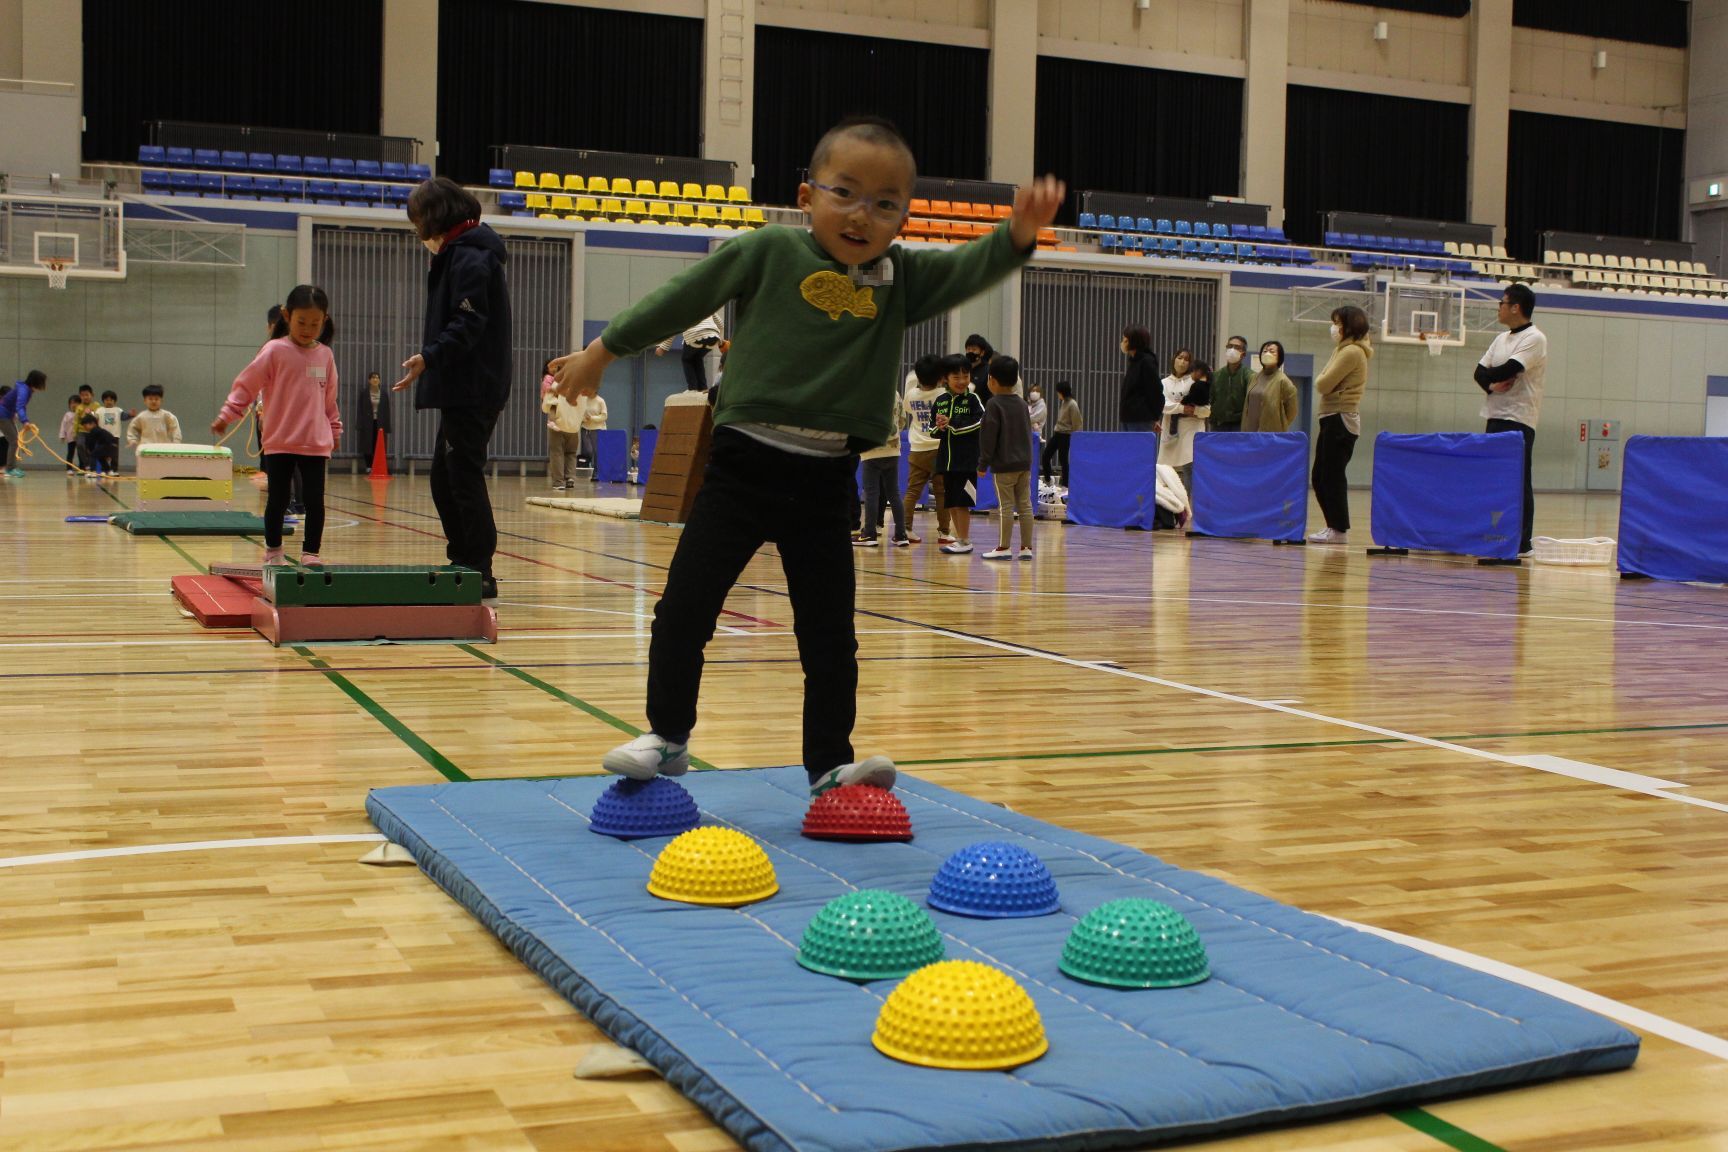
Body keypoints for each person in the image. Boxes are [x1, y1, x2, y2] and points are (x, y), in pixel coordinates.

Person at [550, 114, 1063, 796]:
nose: (862, 215)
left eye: (885, 204)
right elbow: (683, 297)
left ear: (904, 217)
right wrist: (601, 349)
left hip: (825, 480)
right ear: (805, 197)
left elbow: (971, 266)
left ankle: (828, 763)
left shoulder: (900, 279)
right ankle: (668, 737)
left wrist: (1018, 234)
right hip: (741, 468)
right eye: (844, 193)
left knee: (828, 636)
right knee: (684, 608)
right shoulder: (767, 253)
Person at [394, 176, 513, 603]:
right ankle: (463, 559)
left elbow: (468, 322)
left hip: (475, 386)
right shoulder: (460, 254)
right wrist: (430, 363)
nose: (416, 230)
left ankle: (479, 568)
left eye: (418, 220)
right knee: (446, 479)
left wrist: (430, 357)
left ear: (435, 216)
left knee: (461, 476)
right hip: (464, 385)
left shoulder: (471, 258)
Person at [213, 284, 342, 566]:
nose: (308, 329)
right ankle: (273, 551)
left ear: (325, 320)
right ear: (286, 315)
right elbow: (247, 385)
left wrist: (334, 429)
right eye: (301, 322)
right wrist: (228, 413)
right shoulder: (274, 351)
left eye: (315, 323)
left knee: (314, 501)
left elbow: (329, 400)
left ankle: (311, 553)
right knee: (278, 499)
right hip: (280, 440)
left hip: (314, 442)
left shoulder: (325, 356)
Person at [1475, 283, 1547, 556]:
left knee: (1518, 480)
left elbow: (1511, 369)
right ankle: (1493, 534)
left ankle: (1522, 542)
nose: (1499, 308)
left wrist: (1492, 376)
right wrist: (1491, 385)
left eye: (1502, 303)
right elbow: (1480, 373)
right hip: (1494, 414)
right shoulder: (1500, 339)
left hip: (1519, 417)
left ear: (1515, 307)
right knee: (1491, 479)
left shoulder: (1535, 338)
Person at [1309, 305, 1373, 544]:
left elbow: (1323, 384)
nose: (1333, 328)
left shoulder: (1352, 352)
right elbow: (1324, 381)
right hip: (1330, 416)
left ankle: (1338, 529)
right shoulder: (1342, 349)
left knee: (1331, 476)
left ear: (1349, 325)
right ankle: (1332, 526)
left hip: (1341, 418)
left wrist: (1323, 382)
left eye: (1337, 322)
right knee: (1319, 476)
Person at [978, 354, 1034, 560]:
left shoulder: (994, 404)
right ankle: (1027, 548)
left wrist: (983, 462)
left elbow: (988, 437)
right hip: (1024, 464)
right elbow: (1028, 433)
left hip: (1004, 465)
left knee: (1006, 506)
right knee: (1026, 505)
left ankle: (1003, 547)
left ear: (991, 380)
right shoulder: (1021, 403)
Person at [933, 353, 986, 554]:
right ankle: (959, 538)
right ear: (946, 378)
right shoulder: (941, 401)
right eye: (956, 377)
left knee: (962, 502)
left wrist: (952, 424)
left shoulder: (973, 399)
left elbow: (980, 422)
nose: (962, 381)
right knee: (952, 501)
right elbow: (932, 429)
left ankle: (965, 540)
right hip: (946, 461)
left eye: (966, 376)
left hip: (966, 460)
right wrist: (939, 426)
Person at [901, 353, 951, 545]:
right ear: (941, 377)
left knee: (912, 491)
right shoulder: (944, 395)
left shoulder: (912, 395)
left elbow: (907, 407)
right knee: (942, 493)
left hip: (918, 449)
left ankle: (905, 528)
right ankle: (944, 532)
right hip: (940, 449)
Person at [853, 387, 908, 547]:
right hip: (893, 449)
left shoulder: (864, 394)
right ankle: (901, 534)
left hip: (871, 450)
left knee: (871, 493)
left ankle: (869, 533)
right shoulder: (895, 392)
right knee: (894, 493)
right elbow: (902, 420)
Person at [1159, 351, 1210, 504]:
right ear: (1173, 359)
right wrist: (1181, 409)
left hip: (1192, 430)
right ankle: (1167, 505)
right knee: (1165, 469)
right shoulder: (1164, 383)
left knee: (1190, 468)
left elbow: (1207, 410)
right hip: (1170, 430)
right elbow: (1163, 405)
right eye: (1179, 358)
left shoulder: (1196, 381)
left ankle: (1188, 505)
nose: (1182, 362)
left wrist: (1194, 411)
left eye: (1187, 359)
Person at [656, 311, 724, 392]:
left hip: (695, 336)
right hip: (713, 338)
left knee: (686, 359)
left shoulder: (683, 307)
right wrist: (717, 336)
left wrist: (663, 348)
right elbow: (721, 324)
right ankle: (703, 388)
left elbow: (674, 330)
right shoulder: (706, 303)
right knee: (697, 358)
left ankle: (692, 389)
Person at [1244, 340, 1299, 432]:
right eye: (1264, 351)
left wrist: (1278, 424)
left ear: (1279, 357)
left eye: (1272, 351)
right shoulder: (1253, 378)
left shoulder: (1283, 381)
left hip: (1271, 434)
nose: (1267, 354)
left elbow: (1292, 412)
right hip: (1250, 432)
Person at [0, 370, 46, 477]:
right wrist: (25, 421)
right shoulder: (24, 390)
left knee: (15, 441)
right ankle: (10, 469)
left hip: (6, 415)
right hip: (3, 415)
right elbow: (19, 406)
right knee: (14, 441)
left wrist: (24, 419)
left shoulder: (25, 389)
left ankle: (11, 467)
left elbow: (21, 406)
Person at [1118, 326, 1160, 432]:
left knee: (1139, 448)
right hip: (1128, 417)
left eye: (1125, 340)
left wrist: (1155, 416)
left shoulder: (1146, 361)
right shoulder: (1134, 361)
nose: (1122, 343)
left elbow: (1154, 390)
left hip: (1141, 419)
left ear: (1134, 342)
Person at [1041, 380, 1081, 488]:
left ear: (1063, 392)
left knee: (1063, 461)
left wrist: (1075, 438)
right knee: (1046, 456)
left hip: (1066, 435)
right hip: (1058, 433)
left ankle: (1065, 485)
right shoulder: (1064, 402)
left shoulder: (1072, 404)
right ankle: (1048, 479)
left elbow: (1077, 424)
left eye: (1058, 392)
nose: (1057, 394)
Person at [1210, 335, 1251, 432]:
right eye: (1230, 346)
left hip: (1239, 426)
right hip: (1218, 426)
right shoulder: (1216, 375)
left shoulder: (1249, 376)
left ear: (1243, 354)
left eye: (1237, 347)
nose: (1232, 350)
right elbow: (1211, 400)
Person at [353, 370, 392, 468]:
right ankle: (368, 466)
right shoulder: (364, 393)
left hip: (380, 423)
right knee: (367, 444)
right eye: (373, 377)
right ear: (369, 380)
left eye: (377, 377)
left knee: (378, 443)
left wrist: (387, 426)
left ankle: (377, 466)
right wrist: (360, 424)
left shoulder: (384, 394)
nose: (375, 379)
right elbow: (360, 409)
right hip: (367, 423)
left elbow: (387, 410)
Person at [59, 395, 80, 473]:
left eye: (76, 403)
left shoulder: (81, 414)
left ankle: (82, 468)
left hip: (80, 437)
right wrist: (62, 435)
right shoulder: (67, 415)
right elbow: (63, 425)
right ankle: (69, 469)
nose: (74, 405)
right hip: (70, 437)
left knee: (81, 453)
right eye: (72, 403)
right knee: (70, 453)